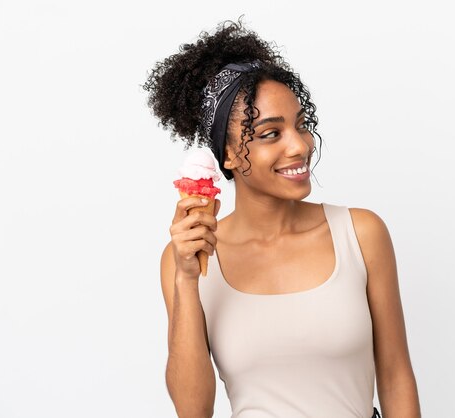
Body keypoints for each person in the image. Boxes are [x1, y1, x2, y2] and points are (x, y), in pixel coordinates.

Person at [142, 18, 421, 418]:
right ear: (228, 154)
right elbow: (192, 410)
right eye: (271, 134)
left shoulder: (360, 233)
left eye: (301, 125)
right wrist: (186, 278)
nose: (300, 145)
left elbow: (396, 377)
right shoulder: (188, 257)